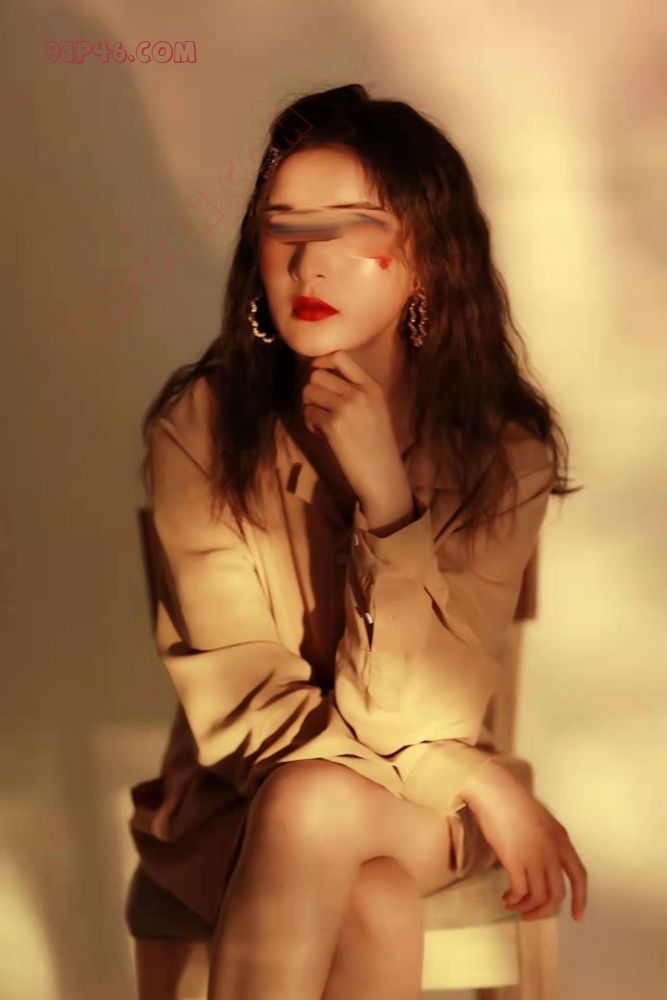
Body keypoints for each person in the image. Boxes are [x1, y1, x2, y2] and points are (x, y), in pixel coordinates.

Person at [125, 83, 588, 999]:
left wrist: (386, 499)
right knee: (362, 886)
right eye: (284, 229)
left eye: (351, 228)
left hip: (419, 810)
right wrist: (474, 774)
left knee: (318, 808)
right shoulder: (202, 428)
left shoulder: (504, 454)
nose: (309, 262)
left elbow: (430, 701)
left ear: (426, 258)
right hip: (236, 802)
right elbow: (248, 710)